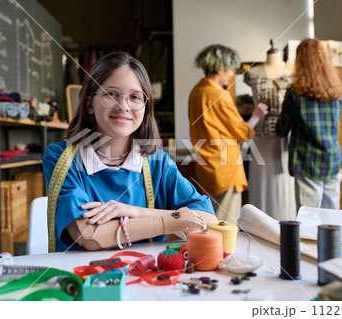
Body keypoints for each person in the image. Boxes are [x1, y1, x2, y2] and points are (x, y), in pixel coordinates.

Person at [43, 51, 217, 252]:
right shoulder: (62, 157)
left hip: (144, 275)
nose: (123, 106)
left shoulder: (158, 162)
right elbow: (90, 236)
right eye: (110, 94)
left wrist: (131, 211)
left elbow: (208, 219)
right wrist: (177, 219)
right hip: (84, 277)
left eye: (135, 97)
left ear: (145, 107)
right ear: (89, 104)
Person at [188, 44, 267, 224]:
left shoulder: (197, 91)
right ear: (221, 67)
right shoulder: (218, 94)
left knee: (210, 220)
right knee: (226, 224)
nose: (232, 74)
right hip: (226, 167)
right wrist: (255, 116)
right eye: (230, 68)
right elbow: (241, 132)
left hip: (206, 164)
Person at [276, 38, 342, 211]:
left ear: (300, 61)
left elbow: (281, 130)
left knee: (309, 220)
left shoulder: (295, 93)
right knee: (332, 220)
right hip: (333, 159)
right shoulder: (336, 92)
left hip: (308, 161)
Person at [243, 44, 297, 221]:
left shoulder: (294, 71)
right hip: (262, 141)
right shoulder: (254, 73)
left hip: (287, 141)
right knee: (263, 190)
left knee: (285, 189)